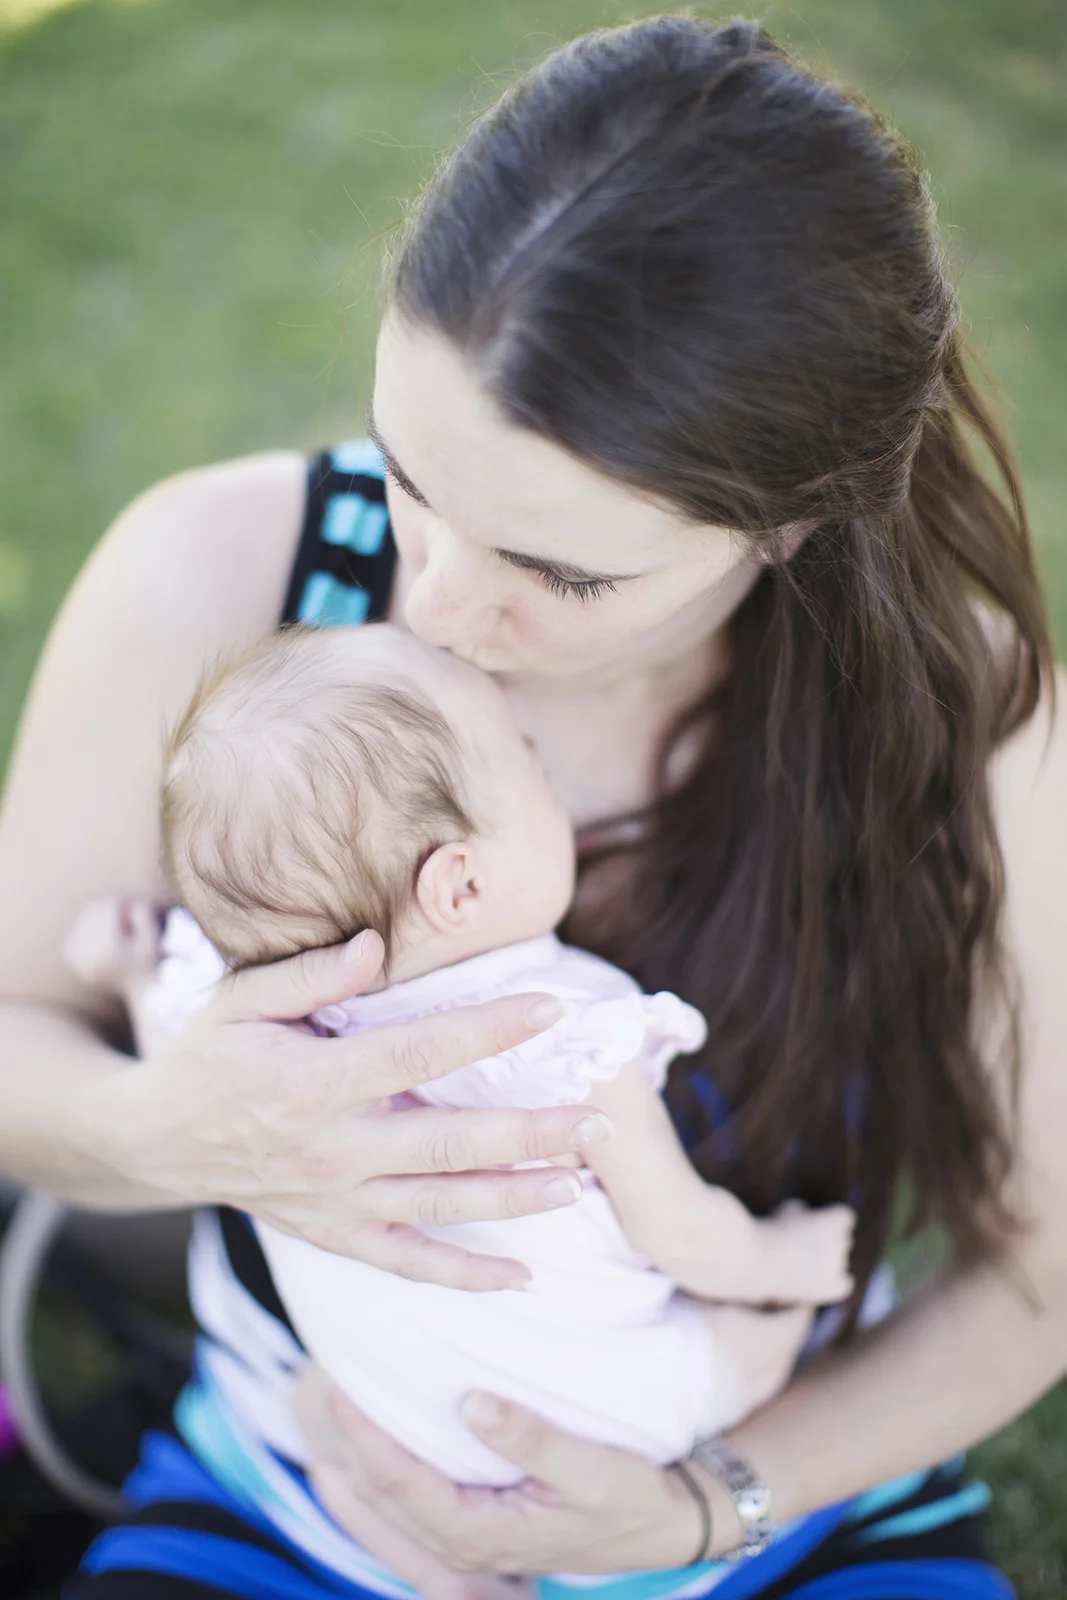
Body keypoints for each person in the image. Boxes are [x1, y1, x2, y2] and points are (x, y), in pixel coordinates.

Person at [0, 13, 1063, 1599]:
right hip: (308, 1494)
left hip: (774, 1503)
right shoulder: (216, 575)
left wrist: (703, 1506)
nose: (427, 611)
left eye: (561, 571)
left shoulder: (965, 710)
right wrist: (169, 1127)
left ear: (787, 524)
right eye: (409, 483)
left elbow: (1034, 1269)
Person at [64, 619, 855, 1576]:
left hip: (393, 1411)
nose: (552, 781)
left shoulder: (246, 1042)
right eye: (529, 765)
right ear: (462, 883)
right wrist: (788, 1263)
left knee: (327, 1414)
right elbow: (680, 1233)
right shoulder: (558, 1033)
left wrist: (125, 971)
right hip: (600, 1418)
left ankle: (448, 1574)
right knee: (739, 1347)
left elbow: (164, 1032)